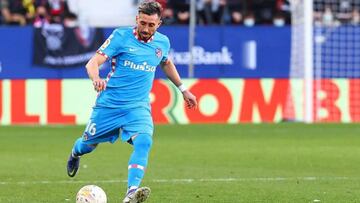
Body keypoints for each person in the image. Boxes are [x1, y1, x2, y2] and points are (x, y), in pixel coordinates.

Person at [66, 1, 197, 203]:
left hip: (138, 107)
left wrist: (183, 89)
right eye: (142, 23)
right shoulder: (121, 36)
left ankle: (131, 192)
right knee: (88, 145)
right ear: (137, 19)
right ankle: (75, 153)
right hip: (109, 105)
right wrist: (96, 79)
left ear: (159, 24)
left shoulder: (162, 43)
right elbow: (93, 62)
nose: (145, 29)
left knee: (144, 141)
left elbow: (166, 63)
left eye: (151, 25)